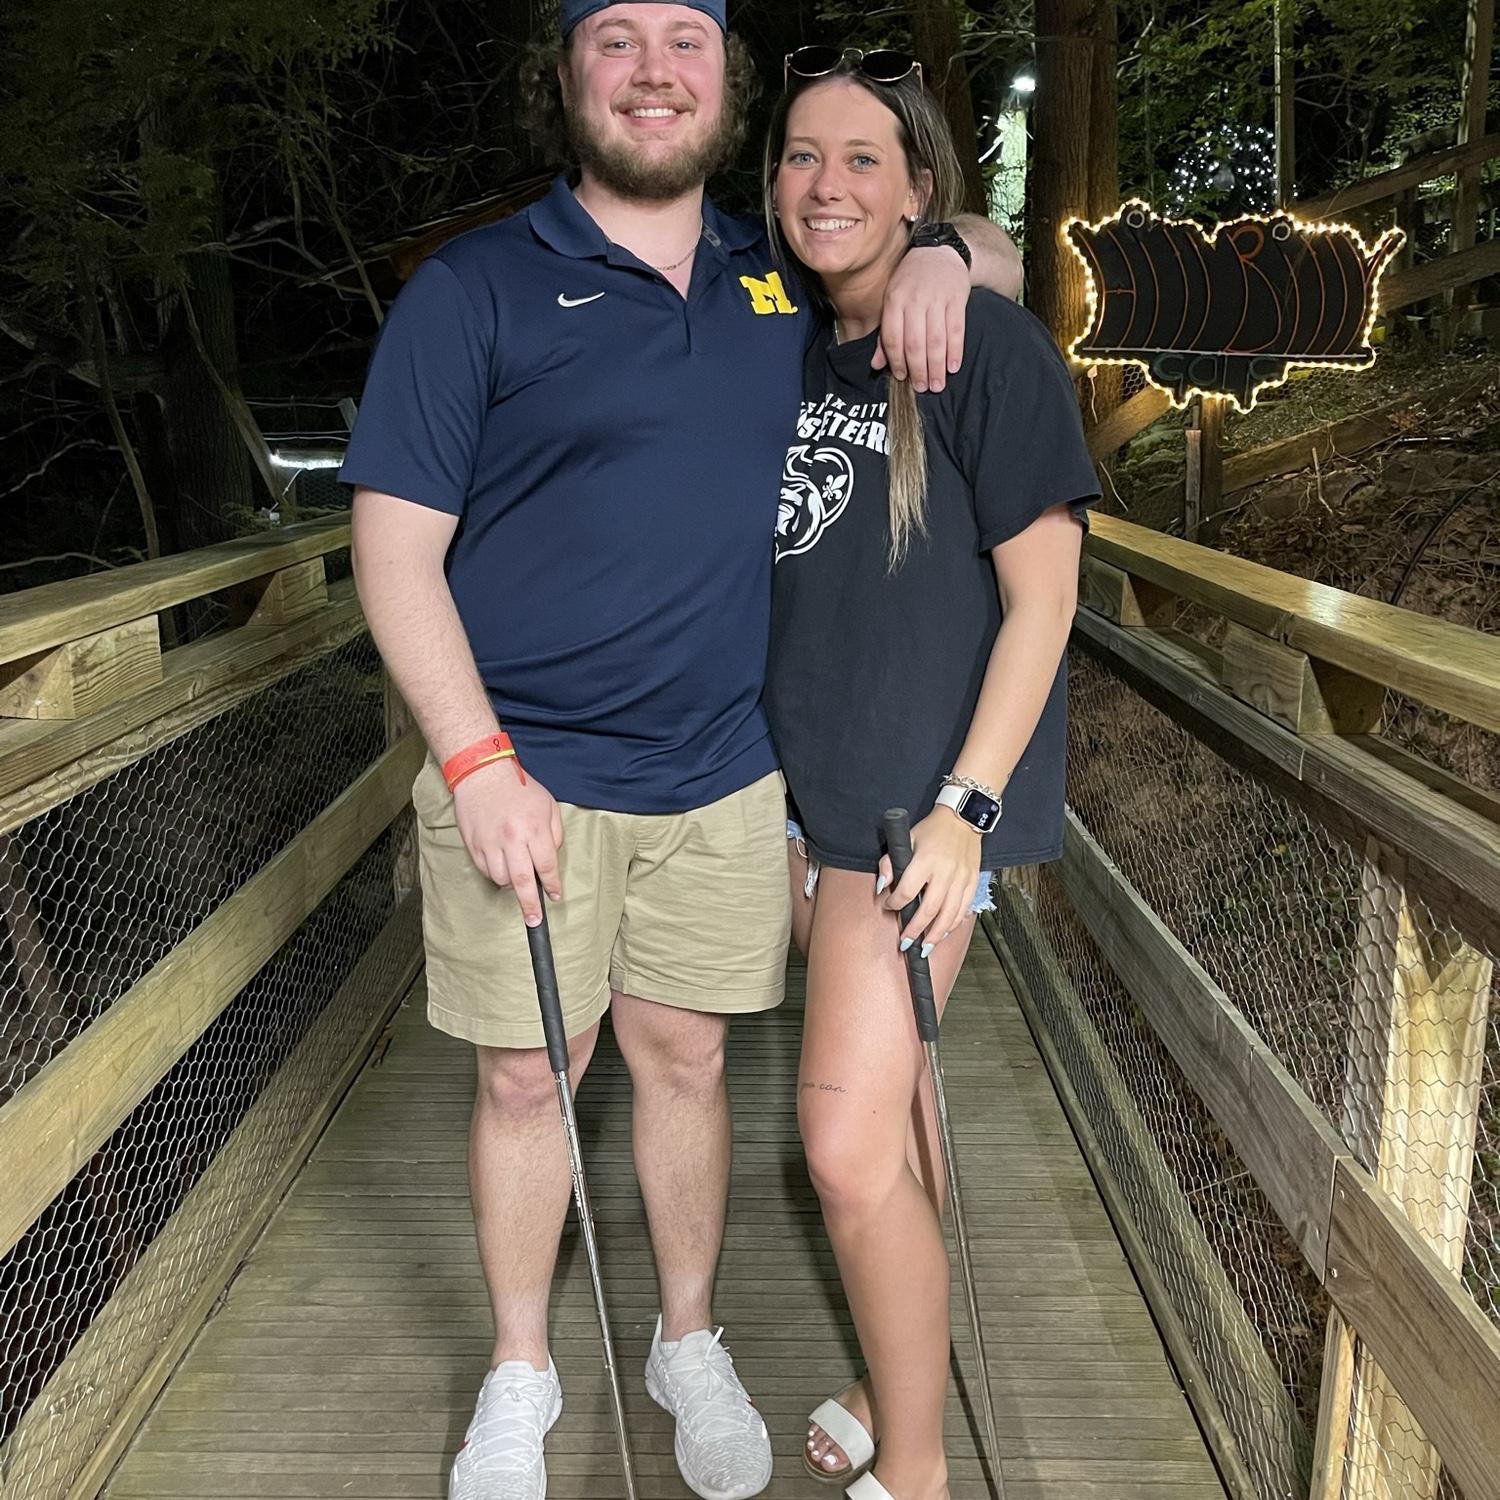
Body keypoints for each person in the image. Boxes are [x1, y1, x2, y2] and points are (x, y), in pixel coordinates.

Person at [340, 4, 1023, 1499]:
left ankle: (687, 1339)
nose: (654, 71)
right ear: (567, 75)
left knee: (688, 1059)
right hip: (522, 777)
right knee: (529, 1079)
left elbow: (958, 244)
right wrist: (473, 761)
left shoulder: (770, 274)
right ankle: (521, 1370)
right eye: (617, 40)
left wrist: (949, 254)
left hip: (722, 775)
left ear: (722, 80)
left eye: (686, 42)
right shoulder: (474, 289)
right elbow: (391, 553)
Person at [761, 49, 1100, 1500]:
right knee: (891, 1120)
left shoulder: (982, 349)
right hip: (794, 798)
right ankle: (889, 1369)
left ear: (917, 189)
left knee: (843, 1148)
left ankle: (917, 1464)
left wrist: (967, 811)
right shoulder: (779, 336)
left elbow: (1045, 599)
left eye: (863, 158)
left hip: (910, 823)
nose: (826, 184)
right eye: (800, 155)